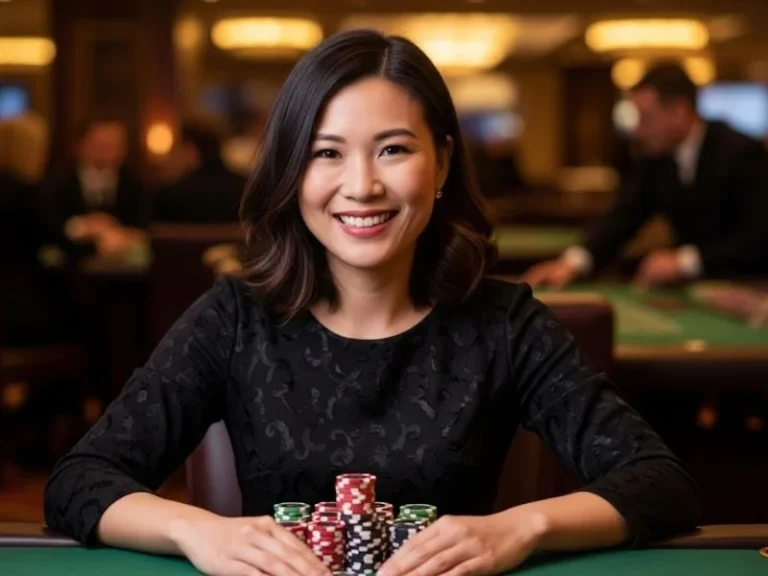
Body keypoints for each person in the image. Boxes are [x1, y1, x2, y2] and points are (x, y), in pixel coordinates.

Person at [44, 30, 700, 576]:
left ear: (441, 164)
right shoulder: (235, 317)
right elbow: (81, 480)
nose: (362, 186)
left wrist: (518, 529)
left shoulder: (505, 322)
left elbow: (658, 481)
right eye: (326, 153)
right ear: (291, 172)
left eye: (393, 149)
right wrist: (200, 532)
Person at [523, 63, 768, 288]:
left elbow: (758, 238)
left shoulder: (742, 153)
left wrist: (684, 261)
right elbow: (623, 215)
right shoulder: (656, 159)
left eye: (645, 118)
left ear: (679, 112)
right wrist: (572, 263)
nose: (638, 130)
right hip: (699, 290)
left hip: (751, 289)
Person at [41, 113, 147, 260]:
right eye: (102, 145)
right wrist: (81, 227)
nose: (108, 152)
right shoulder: (58, 181)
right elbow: (47, 226)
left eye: (115, 145)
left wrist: (119, 234)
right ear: (80, 145)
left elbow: (145, 224)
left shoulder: (134, 181)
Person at [152, 120, 247, 223]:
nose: (174, 157)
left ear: (190, 149)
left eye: (176, 149)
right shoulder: (245, 189)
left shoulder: (168, 196)